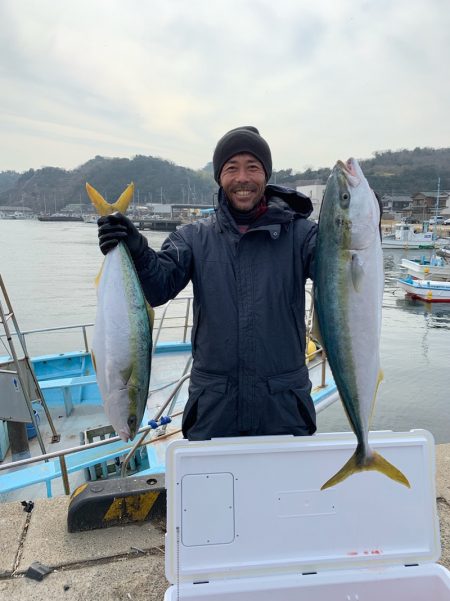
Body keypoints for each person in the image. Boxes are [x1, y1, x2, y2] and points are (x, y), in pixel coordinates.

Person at [97, 126, 317, 441]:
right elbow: (159, 287)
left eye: (252, 167)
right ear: (219, 177)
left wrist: (360, 217)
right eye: (232, 168)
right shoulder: (194, 237)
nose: (242, 178)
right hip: (214, 408)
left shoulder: (301, 236)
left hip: (283, 408)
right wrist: (134, 248)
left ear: (266, 175)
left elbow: (347, 269)